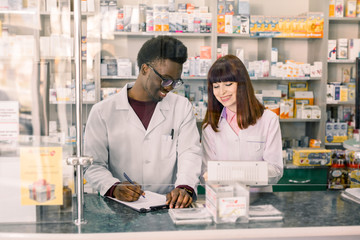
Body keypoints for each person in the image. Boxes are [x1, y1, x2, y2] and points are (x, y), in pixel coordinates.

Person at [84, 36, 202, 208]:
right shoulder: (103, 111)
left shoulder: (181, 107)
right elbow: (94, 165)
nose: (169, 87)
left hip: (167, 206)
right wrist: (113, 187)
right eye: (165, 79)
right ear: (145, 69)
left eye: (175, 82)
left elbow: (189, 153)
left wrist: (185, 187)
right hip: (120, 208)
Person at [201, 55, 283, 190]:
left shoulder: (268, 119)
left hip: (259, 201)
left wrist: (233, 174)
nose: (222, 92)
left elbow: (275, 170)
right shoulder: (210, 126)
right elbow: (206, 173)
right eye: (216, 86)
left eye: (228, 84)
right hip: (224, 200)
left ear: (242, 84)